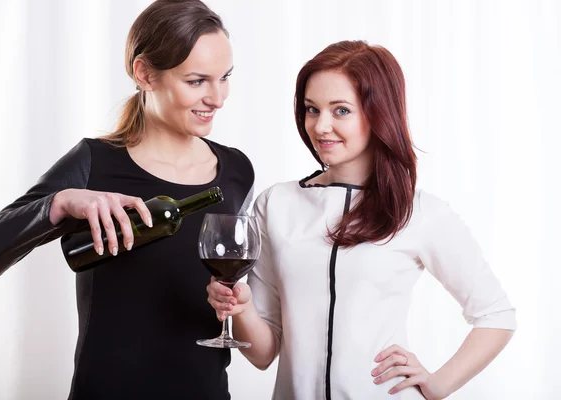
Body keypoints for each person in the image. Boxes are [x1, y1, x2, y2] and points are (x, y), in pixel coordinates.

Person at [0, 1, 254, 399]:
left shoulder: (237, 170)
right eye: (197, 81)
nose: (217, 98)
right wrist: (59, 204)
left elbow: (235, 295)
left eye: (225, 78)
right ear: (145, 73)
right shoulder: (93, 162)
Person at [206, 40, 516, 399]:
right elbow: (262, 354)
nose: (321, 126)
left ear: (378, 113)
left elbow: (497, 315)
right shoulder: (276, 204)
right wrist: (240, 307)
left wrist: (437, 385)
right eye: (312, 109)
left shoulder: (419, 212)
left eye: (340, 111)